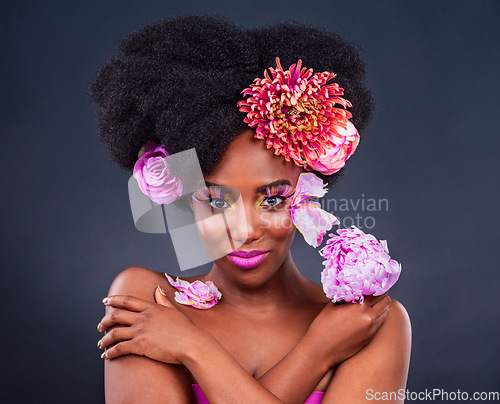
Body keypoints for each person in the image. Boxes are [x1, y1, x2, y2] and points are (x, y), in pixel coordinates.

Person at [90, 15, 411, 403]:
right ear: (182, 196)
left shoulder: (367, 322)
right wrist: (317, 354)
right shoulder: (147, 300)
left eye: (273, 199)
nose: (244, 230)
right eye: (216, 200)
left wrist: (193, 348)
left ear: (306, 191)